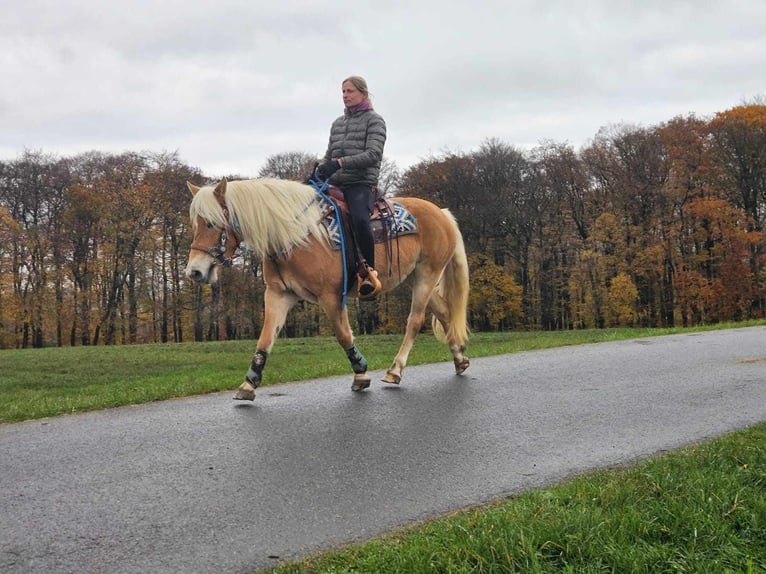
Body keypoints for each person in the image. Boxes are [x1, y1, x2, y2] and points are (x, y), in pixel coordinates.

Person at [315, 75, 386, 300]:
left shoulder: (375, 121)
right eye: (343, 92)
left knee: (359, 219)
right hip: (336, 182)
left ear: (363, 94)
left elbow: (373, 155)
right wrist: (320, 170)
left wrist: (340, 163)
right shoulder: (337, 124)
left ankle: (368, 273)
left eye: (350, 91)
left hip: (361, 183)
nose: (345, 96)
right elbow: (330, 154)